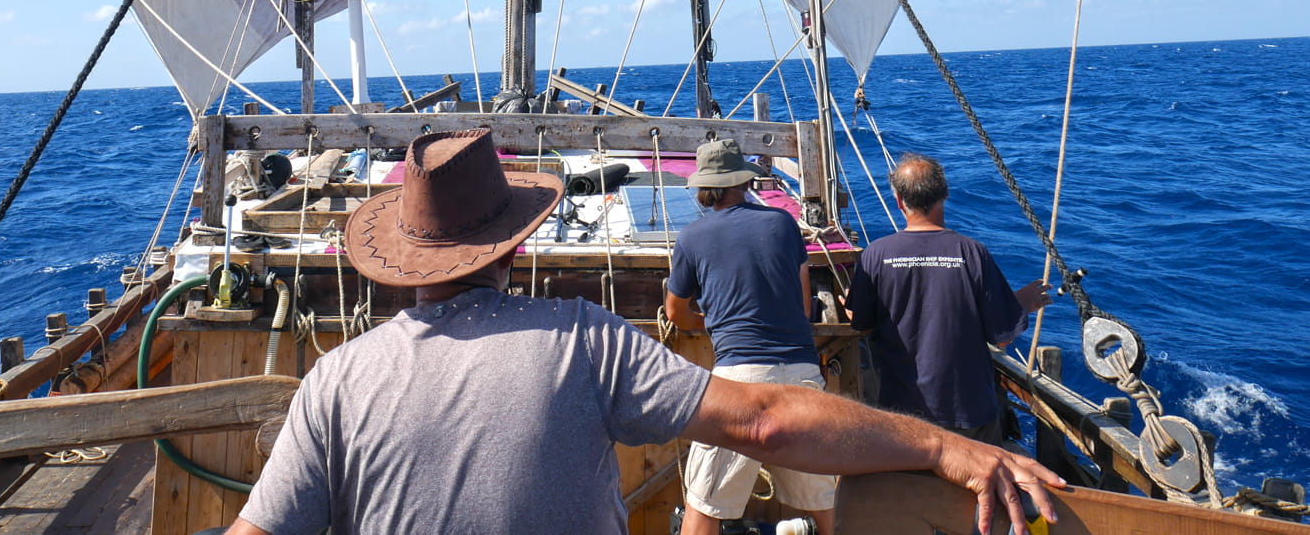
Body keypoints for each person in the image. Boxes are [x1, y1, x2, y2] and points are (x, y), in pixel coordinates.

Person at [226, 130, 1062, 535]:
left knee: (703, 510)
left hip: (742, 358)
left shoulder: (333, 381)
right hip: (787, 375)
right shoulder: (580, 340)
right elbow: (765, 416)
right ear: (512, 248)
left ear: (401, 259)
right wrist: (941, 448)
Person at [663, 138, 836, 535]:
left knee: (704, 504)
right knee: (820, 498)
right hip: (802, 375)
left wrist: (713, 322)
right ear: (744, 181)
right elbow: (803, 300)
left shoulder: (692, 237)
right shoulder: (782, 223)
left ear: (705, 187)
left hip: (741, 383)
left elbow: (676, 311)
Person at [848, 153, 1052, 444]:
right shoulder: (972, 253)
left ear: (898, 201)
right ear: (944, 195)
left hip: (903, 414)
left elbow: (861, 324)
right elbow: (1002, 338)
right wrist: (1020, 303)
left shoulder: (875, 255)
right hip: (967, 412)